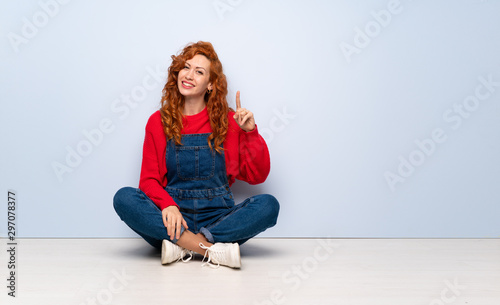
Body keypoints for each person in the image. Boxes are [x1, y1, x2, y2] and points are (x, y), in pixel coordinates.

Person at [113, 41, 279, 269]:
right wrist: (168, 206)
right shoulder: (158, 122)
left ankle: (181, 246)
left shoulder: (230, 122)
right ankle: (211, 251)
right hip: (174, 218)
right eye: (185, 67)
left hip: (218, 219)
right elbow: (148, 180)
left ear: (210, 84)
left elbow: (257, 176)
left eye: (199, 72)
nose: (188, 75)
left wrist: (250, 132)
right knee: (124, 198)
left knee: (269, 205)